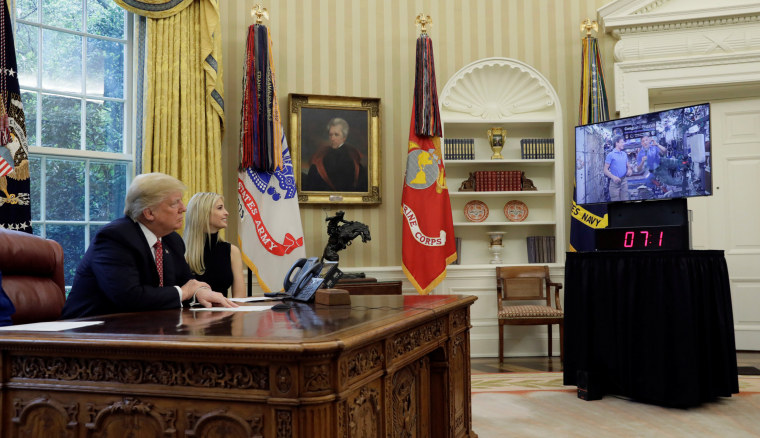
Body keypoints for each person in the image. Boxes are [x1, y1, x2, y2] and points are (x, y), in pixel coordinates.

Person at [60, 173, 237, 319]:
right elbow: (129, 297)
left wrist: (199, 290)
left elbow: (187, 282)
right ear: (149, 213)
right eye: (175, 203)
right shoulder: (115, 237)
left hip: (141, 329)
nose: (183, 208)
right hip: (89, 334)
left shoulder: (171, 240)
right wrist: (184, 293)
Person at [183, 192, 245, 298]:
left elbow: (240, 298)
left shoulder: (232, 251)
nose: (226, 213)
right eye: (220, 208)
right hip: (189, 314)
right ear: (204, 213)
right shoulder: (179, 250)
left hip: (225, 313)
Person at [304, 118, 368, 192]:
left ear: (344, 137)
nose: (332, 138)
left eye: (336, 135)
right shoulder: (321, 155)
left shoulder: (352, 156)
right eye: (330, 135)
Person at [603, 135, 632, 201]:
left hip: (624, 181)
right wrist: (613, 177)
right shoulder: (610, 155)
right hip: (614, 183)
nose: (623, 144)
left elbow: (628, 165)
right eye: (622, 142)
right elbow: (605, 170)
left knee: (625, 199)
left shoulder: (624, 154)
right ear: (617, 143)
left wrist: (629, 169)